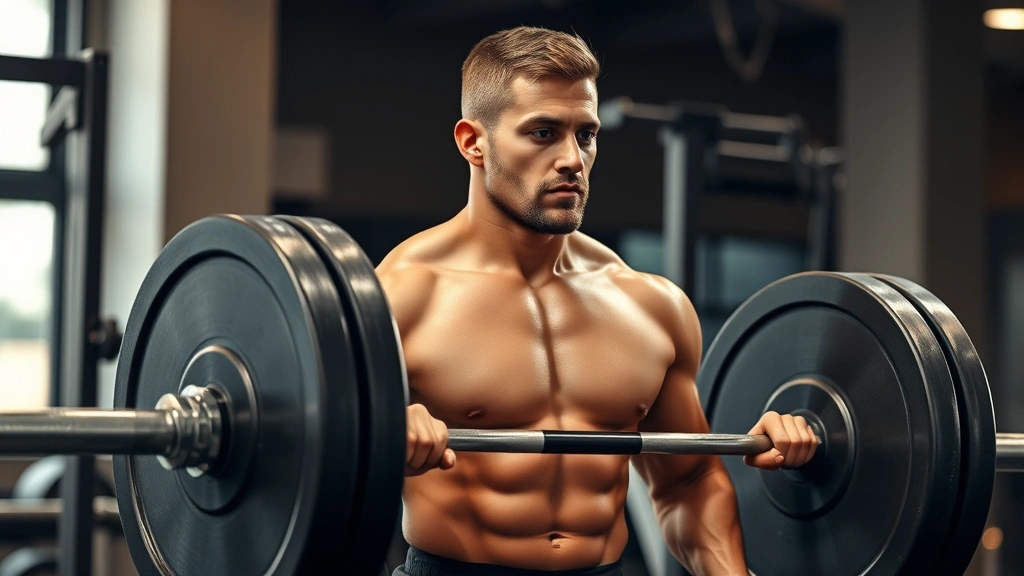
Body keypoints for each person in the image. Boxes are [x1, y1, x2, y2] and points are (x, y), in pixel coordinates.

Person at [375, 25, 819, 576]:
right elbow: (315, 468)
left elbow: (688, 481)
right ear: (473, 142)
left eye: (585, 135)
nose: (572, 160)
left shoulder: (650, 307)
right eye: (542, 133)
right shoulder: (400, 296)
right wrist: (384, 437)